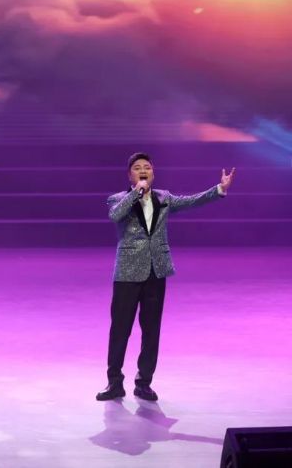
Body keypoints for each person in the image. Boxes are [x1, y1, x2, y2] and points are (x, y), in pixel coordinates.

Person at [96, 152, 235, 402]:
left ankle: (144, 382)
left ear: (153, 172)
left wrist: (219, 189)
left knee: (151, 330)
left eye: (147, 167)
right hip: (127, 273)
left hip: (156, 271)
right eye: (137, 168)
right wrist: (136, 193)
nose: (143, 170)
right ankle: (114, 382)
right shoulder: (118, 199)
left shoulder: (164, 197)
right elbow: (115, 215)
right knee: (120, 330)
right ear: (129, 175)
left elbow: (191, 201)